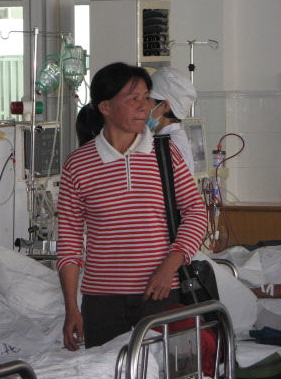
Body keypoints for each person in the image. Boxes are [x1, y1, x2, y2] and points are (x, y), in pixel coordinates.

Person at [57, 62, 207, 350]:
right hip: (102, 301)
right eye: (133, 98)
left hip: (161, 293)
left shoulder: (166, 154)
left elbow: (196, 212)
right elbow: (69, 240)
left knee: (161, 367)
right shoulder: (78, 165)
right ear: (105, 107)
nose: (144, 106)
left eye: (146, 97)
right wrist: (71, 307)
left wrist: (170, 265)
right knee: (107, 368)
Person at [147, 66, 197, 174]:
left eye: (147, 99)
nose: (143, 105)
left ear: (165, 105)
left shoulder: (170, 146)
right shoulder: (169, 140)